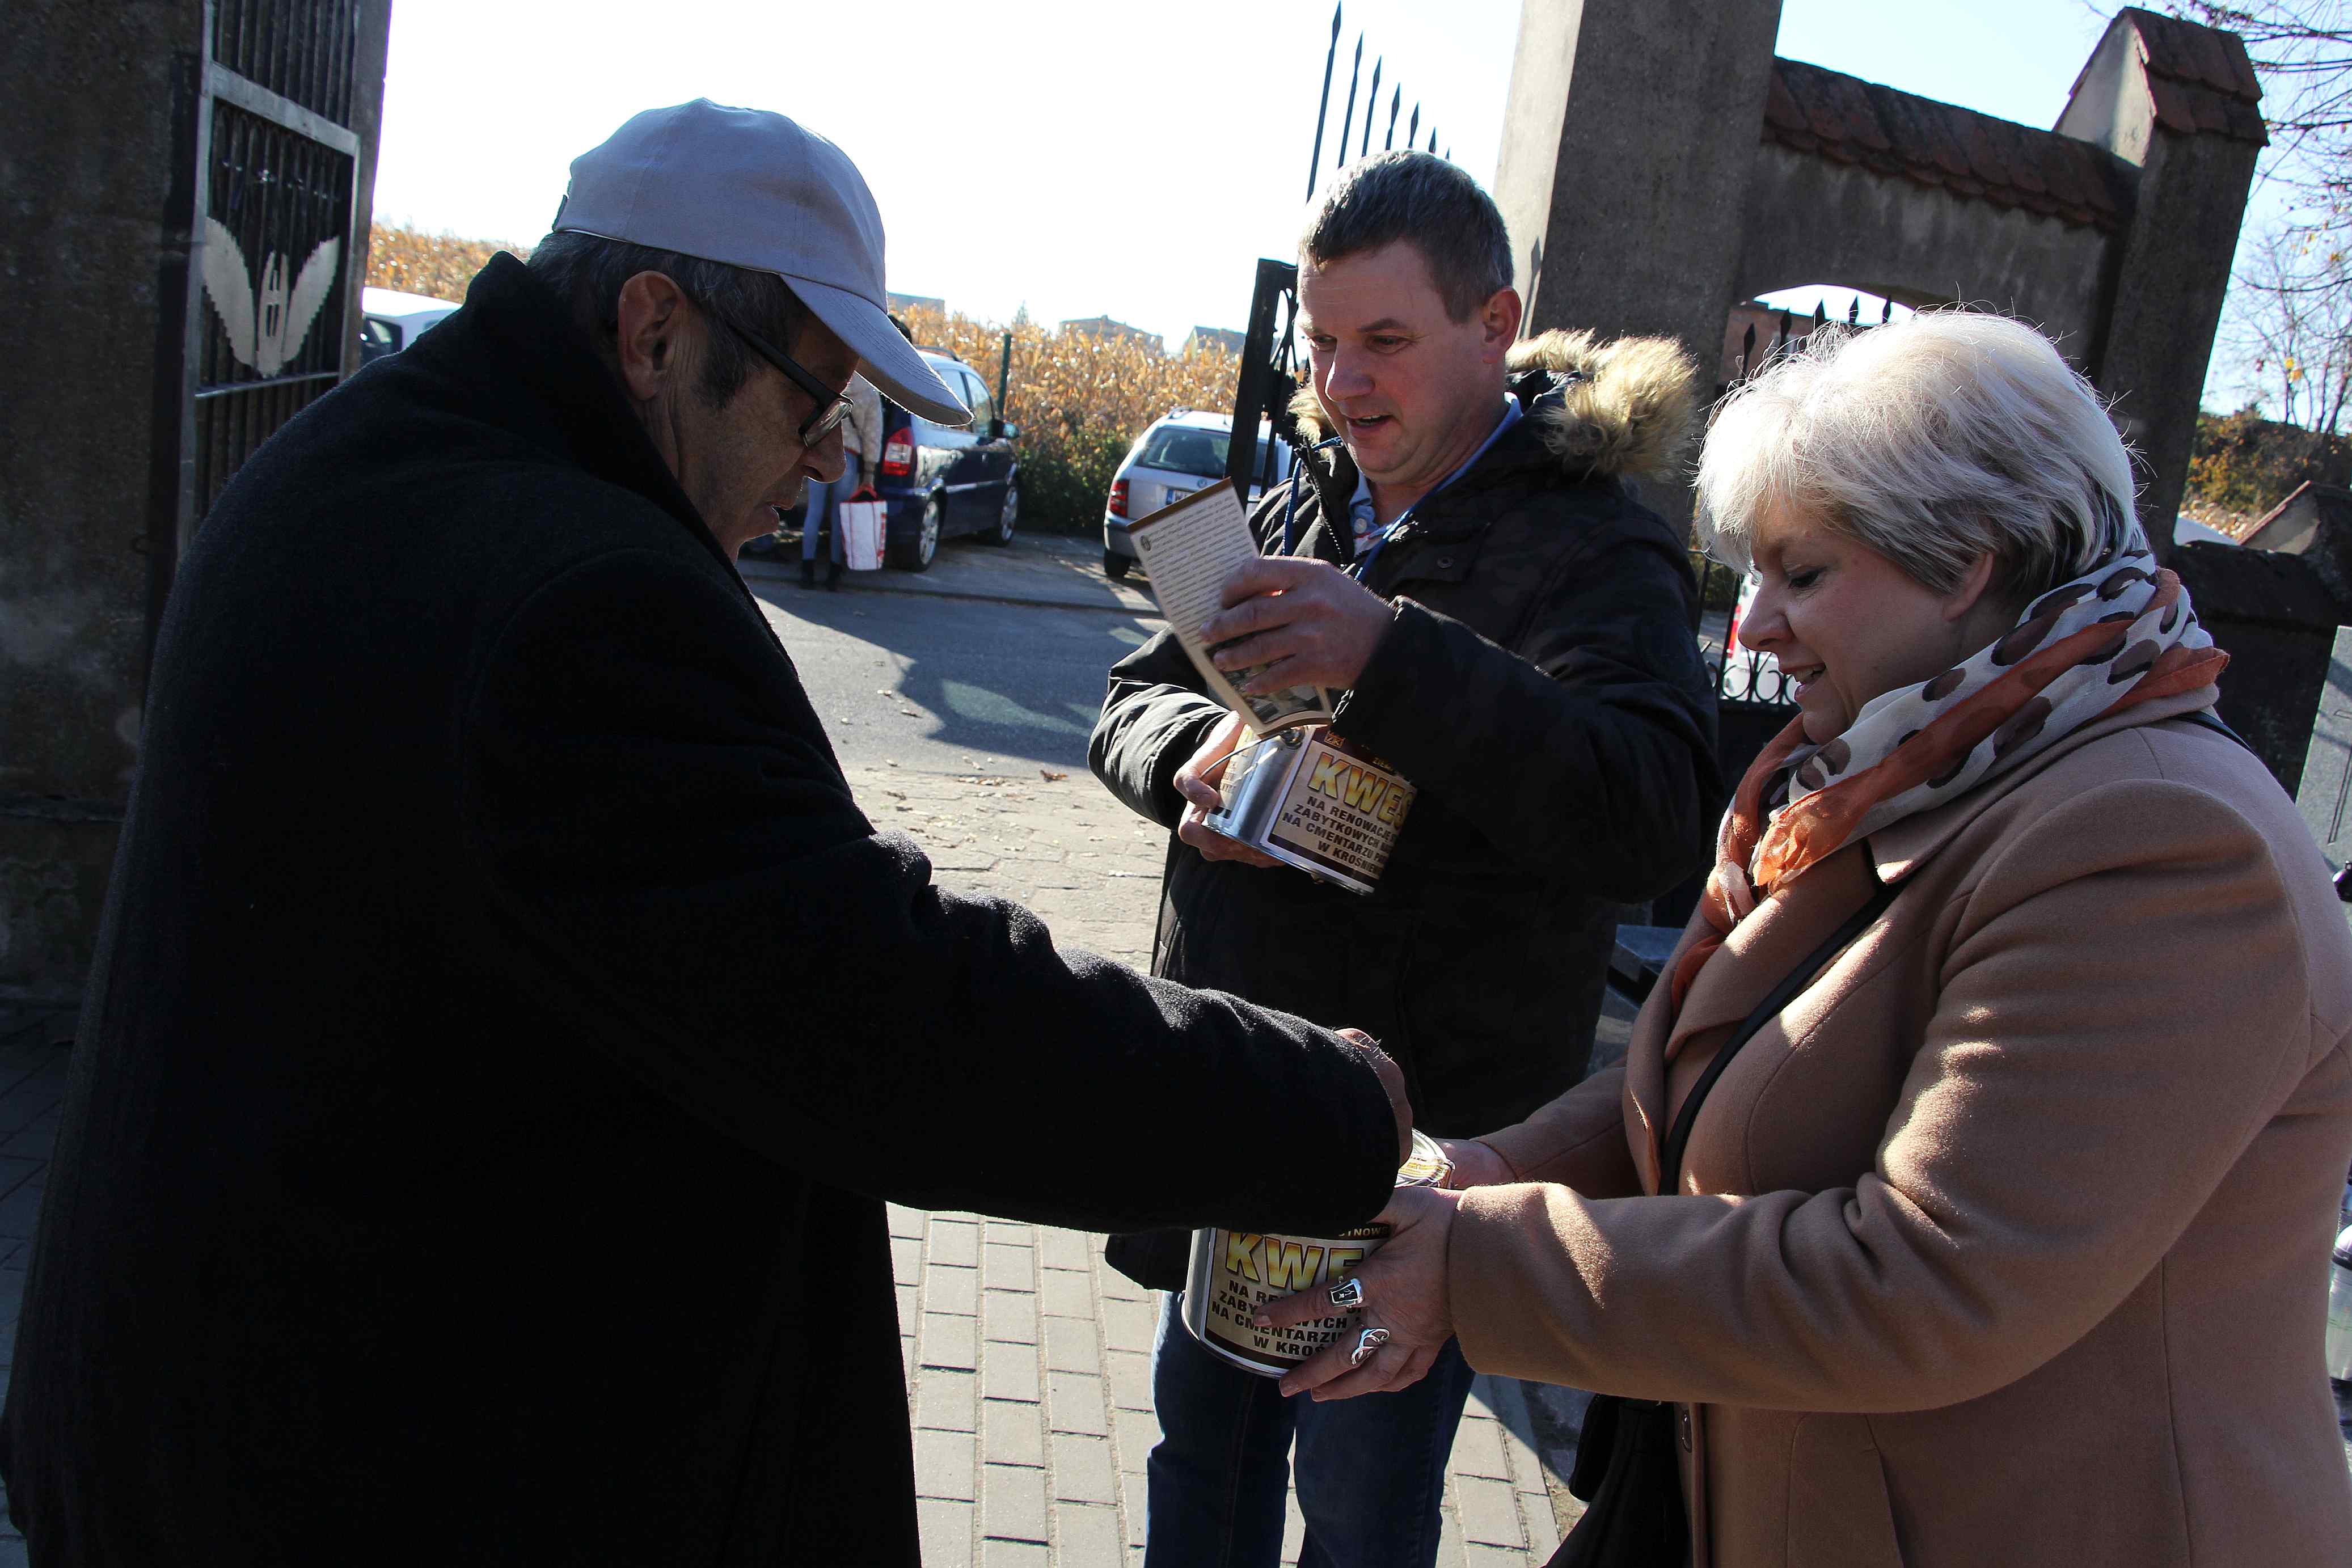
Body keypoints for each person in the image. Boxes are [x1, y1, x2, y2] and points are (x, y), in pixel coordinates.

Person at [0, 101, 1416, 1565]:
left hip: (230, 1436)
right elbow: (902, 1020)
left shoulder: (369, 465)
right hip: (349, 1476)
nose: (823, 462)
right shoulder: (579, 608)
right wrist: (1324, 1108)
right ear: (654, 331)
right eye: (813, 405)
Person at [1260, 311, 2352, 1566]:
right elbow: (1724, 1080)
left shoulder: (2154, 836)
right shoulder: (1929, 766)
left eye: (1804, 573)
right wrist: (1478, 1171)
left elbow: (1929, 1277)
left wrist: (1478, 1265)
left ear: (1965, 559)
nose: (1758, 626)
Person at [1088, 150, 1720, 1568]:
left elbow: (1653, 815)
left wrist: (1394, 657)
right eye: (1319, 343)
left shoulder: (1597, 550)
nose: (1340, 382)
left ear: (1494, 327)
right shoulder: (1315, 497)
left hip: (1408, 1148)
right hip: (1238, 1088)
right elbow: (1133, 693)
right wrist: (1185, 752)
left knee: (1362, 1504)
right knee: (1199, 1455)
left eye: (1382, 342)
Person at [800, 370, 881, 588]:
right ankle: (834, 573)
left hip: (821, 450)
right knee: (840, 516)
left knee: (814, 512)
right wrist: (869, 473)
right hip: (850, 457)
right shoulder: (870, 391)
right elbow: (873, 434)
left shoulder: (831, 377)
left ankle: (807, 569)